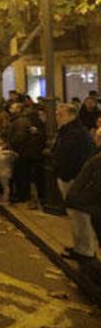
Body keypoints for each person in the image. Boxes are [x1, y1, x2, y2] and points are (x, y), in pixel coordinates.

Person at [53, 103, 97, 261]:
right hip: (71, 178)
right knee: (75, 216)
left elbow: (75, 158)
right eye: (57, 114)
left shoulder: (75, 133)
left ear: (71, 115)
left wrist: (65, 175)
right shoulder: (70, 131)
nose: (57, 117)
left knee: (79, 217)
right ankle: (80, 246)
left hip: (73, 180)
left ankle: (84, 250)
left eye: (60, 114)